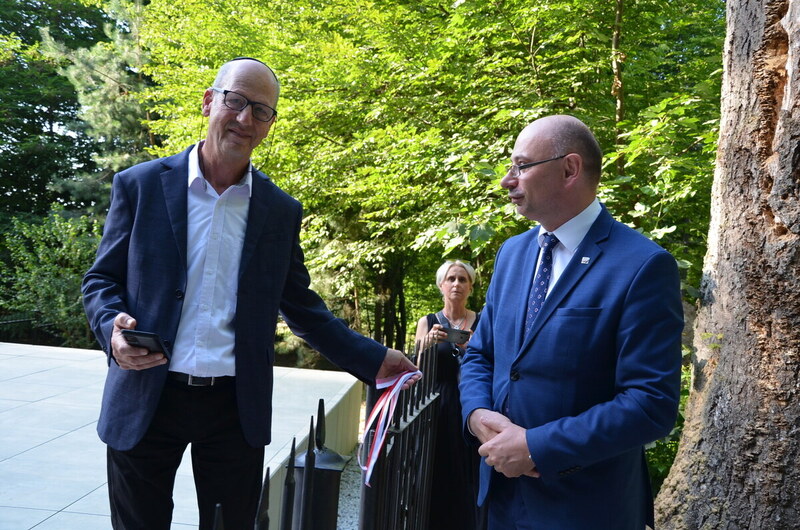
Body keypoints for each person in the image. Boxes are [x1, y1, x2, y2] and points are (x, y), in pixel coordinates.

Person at [82, 57, 419, 530]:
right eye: (235, 101)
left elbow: (302, 308)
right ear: (208, 102)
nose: (245, 119)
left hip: (233, 408)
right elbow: (100, 281)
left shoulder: (279, 211)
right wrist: (111, 330)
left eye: (261, 111)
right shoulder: (140, 185)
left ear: (270, 124)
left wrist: (374, 359)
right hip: (146, 396)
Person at [459, 115, 683, 529]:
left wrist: (537, 446)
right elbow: (481, 353)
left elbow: (651, 403)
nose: (508, 180)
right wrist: (476, 414)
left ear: (569, 169)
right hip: (501, 500)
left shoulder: (643, 265)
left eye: (521, 166)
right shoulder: (512, 253)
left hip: (586, 509)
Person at [413, 260, 485, 530]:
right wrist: (428, 343)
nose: (457, 284)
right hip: (440, 404)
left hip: (473, 402)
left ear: (471, 287)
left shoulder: (481, 320)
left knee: (471, 467)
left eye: (463, 279)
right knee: (439, 466)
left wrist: (475, 343)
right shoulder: (428, 322)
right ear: (441, 285)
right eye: (452, 279)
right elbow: (416, 369)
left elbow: (494, 361)